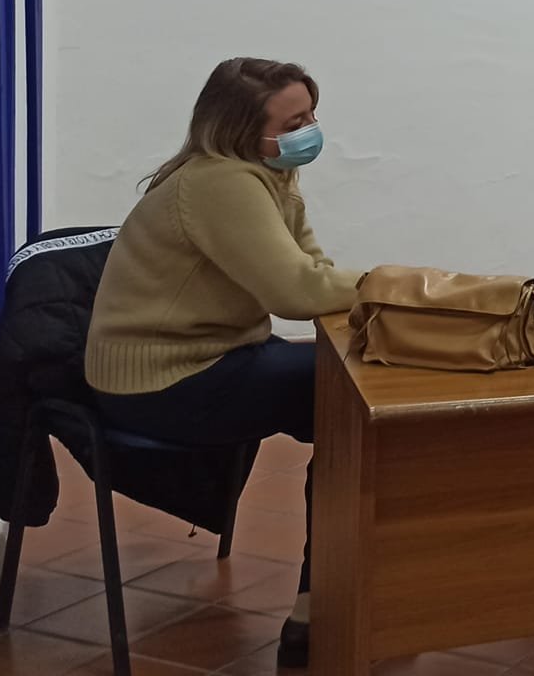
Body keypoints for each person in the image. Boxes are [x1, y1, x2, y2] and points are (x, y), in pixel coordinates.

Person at [85, 58, 362, 669]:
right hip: (165, 382)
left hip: (212, 357)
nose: (309, 131)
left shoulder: (270, 176)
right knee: (360, 405)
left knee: (358, 408)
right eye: (292, 122)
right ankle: (323, 610)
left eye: (311, 115)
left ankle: (329, 601)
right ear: (240, 129)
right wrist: (394, 285)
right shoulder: (220, 183)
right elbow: (297, 293)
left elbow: (313, 271)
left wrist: (359, 289)